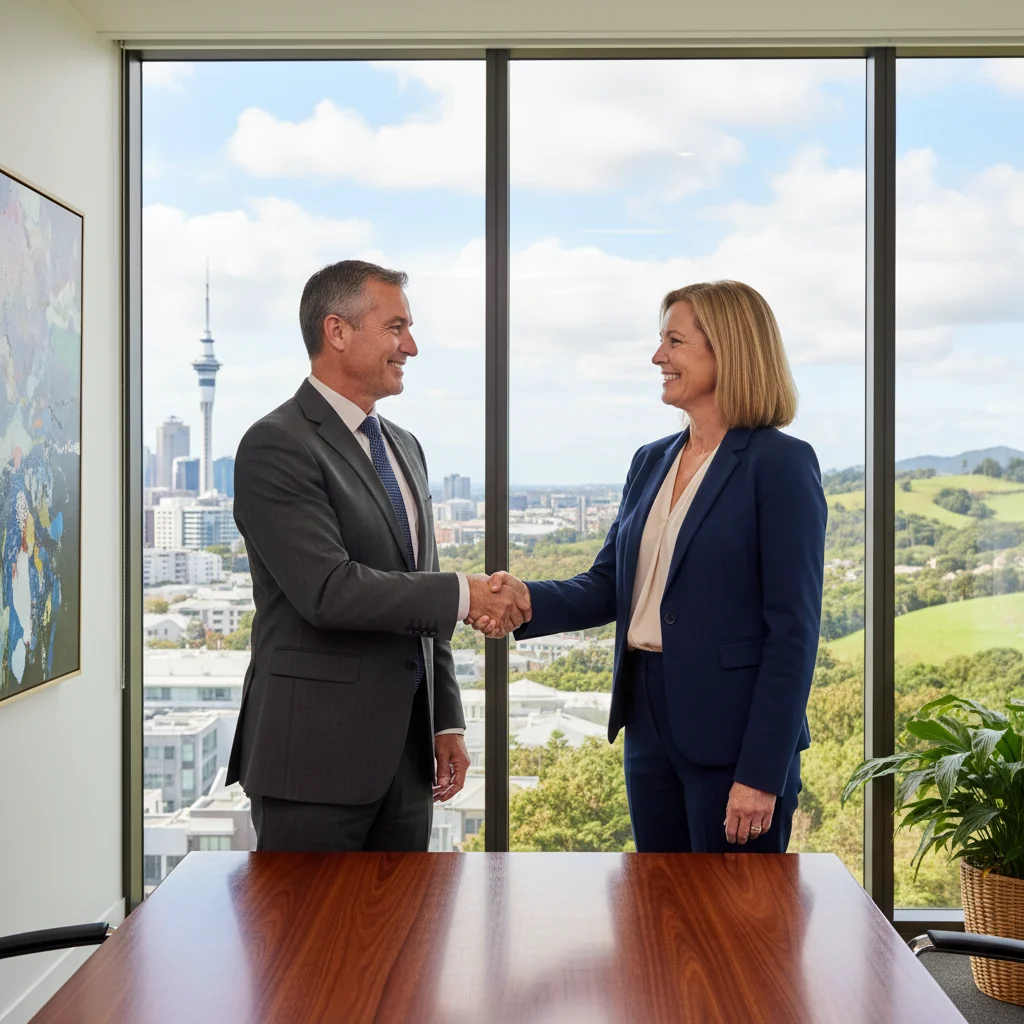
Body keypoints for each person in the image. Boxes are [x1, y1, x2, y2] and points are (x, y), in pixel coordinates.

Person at [473, 280, 826, 853]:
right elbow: (610, 583)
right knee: (658, 915)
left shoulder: (780, 464)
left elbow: (794, 632)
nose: (658, 357)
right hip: (647, 721)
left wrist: (761, 771)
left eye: (675, 341)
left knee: (734, 927)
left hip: (735, 735)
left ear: (727, 349)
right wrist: (523, 598)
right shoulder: (651, 460)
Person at [226, 260, 525, 851]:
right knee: (305, 942)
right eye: (396, 328)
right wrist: (467, 594)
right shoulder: (275, 444)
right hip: (313, 761)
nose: (410, 346)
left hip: (407, 762)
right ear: (337, 331)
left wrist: (445, 719)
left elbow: (418, 592)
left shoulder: (405, 447)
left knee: (401, 940)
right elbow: (328, 590)